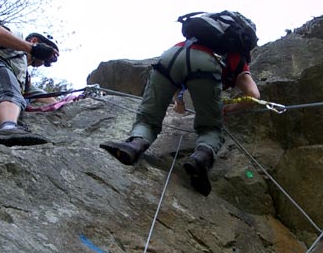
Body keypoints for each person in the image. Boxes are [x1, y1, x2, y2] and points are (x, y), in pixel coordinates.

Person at [100, 38, 260, 196]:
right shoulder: (238, 60)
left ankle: (134, 145)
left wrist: (179, 99)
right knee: (210, 128)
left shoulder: (198, 40)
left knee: (148, 118)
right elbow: (253, 95)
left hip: (172, 55)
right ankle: (200, 159)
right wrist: (228, 109)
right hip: (205, 65)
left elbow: (181, 71)